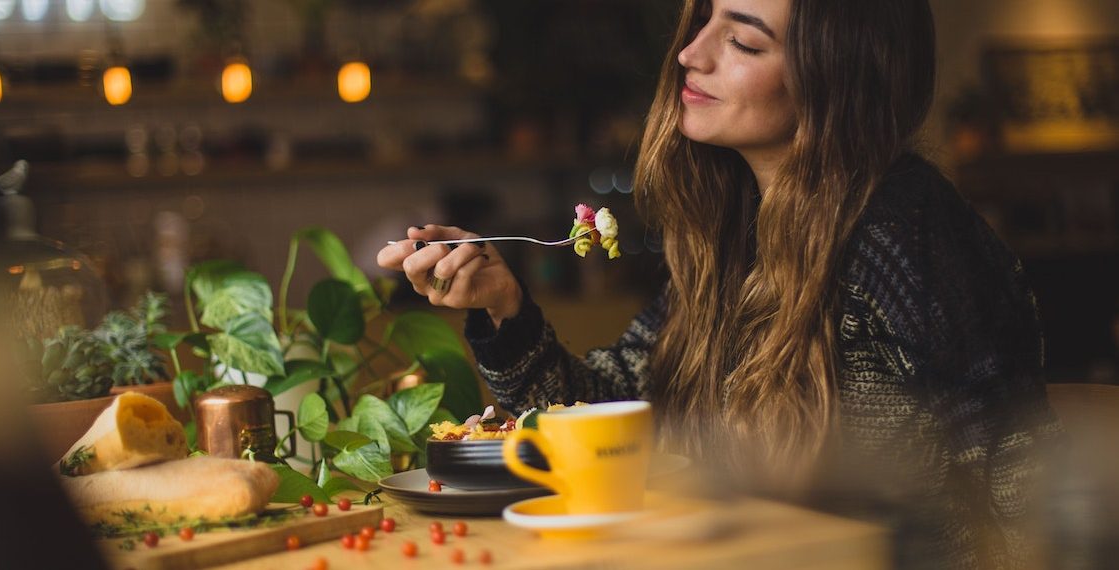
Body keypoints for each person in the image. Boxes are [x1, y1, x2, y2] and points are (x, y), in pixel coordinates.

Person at [377, 0, 1060, 568]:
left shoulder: (903, 228)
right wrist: (505, 307)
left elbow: (1016, 474)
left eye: (741, 40)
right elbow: (611, 420)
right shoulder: (736, 237)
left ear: (837, 78)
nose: (690, 53)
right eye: (701, 20)